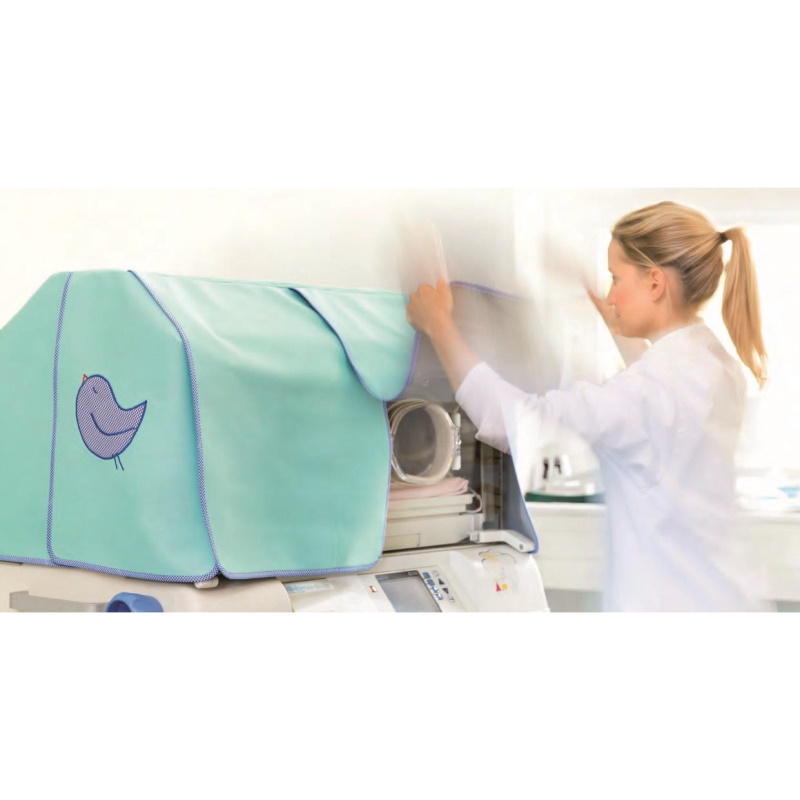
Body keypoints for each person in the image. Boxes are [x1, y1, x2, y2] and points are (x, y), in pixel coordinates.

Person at [405, 201, 770, 612]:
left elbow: (516, 420)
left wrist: (440, 326)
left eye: (617, 278)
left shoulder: (649, 390)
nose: (612, 295)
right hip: (723, 595)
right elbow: (663, 411)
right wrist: (618, 318)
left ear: (655, 283)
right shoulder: (716, 365)